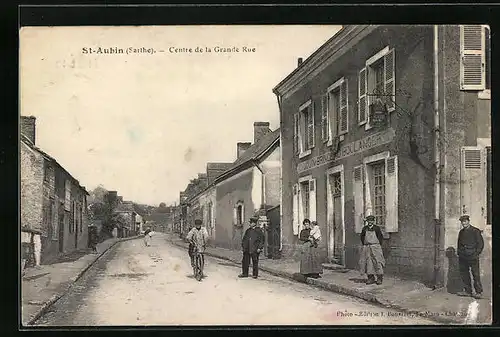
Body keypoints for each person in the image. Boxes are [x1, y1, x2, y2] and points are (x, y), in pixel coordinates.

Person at [456, 215, 484, 299]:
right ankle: (468, 291)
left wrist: (476, 253)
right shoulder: (461, 232)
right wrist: (459, 253)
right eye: (462, 222)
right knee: (464, 273)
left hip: (472, 255)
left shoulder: (475, 231)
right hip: (463, 256)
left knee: (475, 274)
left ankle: (478, 292)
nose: (463, 223)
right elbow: (459, 243)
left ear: (468, 221)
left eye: (465, 221)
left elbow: (480, 244)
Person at [359, 215, 385, 285]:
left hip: (375, 247)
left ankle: (379, 278)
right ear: (367, 221)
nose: (370, 222)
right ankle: (370, 278)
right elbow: (362, 237)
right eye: (369, 221)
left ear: (373, 221)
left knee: (377, 261)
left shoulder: (377, 228)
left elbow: (380, 237)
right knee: (368, 262)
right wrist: (366, 245)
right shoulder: (364, 229)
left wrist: (376, 245)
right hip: (367, 247)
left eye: (371, 221)